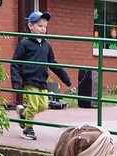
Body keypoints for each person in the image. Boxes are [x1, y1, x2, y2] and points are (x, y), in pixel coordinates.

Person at [10, 12, 73, 142]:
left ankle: (23, 114)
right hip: (30, 79)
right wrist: (16, 80)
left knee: (43, 105)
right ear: (30, 26)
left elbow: (53, 63)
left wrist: (66, 79)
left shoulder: (47, 45)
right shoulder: (25, 43)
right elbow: (15, 63)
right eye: (40, 26)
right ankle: (28, 130)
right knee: (33, 106)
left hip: (42, 80)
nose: (43, 29)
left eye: (45, 26)